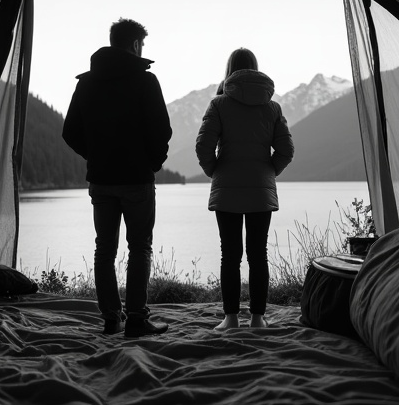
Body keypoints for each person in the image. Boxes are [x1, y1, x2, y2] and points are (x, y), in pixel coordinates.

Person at [62, 18, 172, 338]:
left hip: (102, 180)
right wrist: (152, 162)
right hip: (137, 179)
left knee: (103, 249)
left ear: (112, 42)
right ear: (136, 45)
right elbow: (161, 130)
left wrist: (95, 155)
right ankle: (137, 319)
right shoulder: (145, 81)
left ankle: (111, 318)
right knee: (139, 248)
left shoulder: (86, 83)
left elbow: (70, 132)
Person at [196, 48, 294, 331]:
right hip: (260, 192)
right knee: (258, 254)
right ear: (255, 69)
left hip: (226, 190)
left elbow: (203, 147)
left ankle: (230, 319)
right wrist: (267, 172)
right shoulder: (272, 107)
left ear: (230, 70)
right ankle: (258, 318)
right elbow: (286, 150)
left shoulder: (218, 105)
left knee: (230, 254)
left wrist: (215, 171)